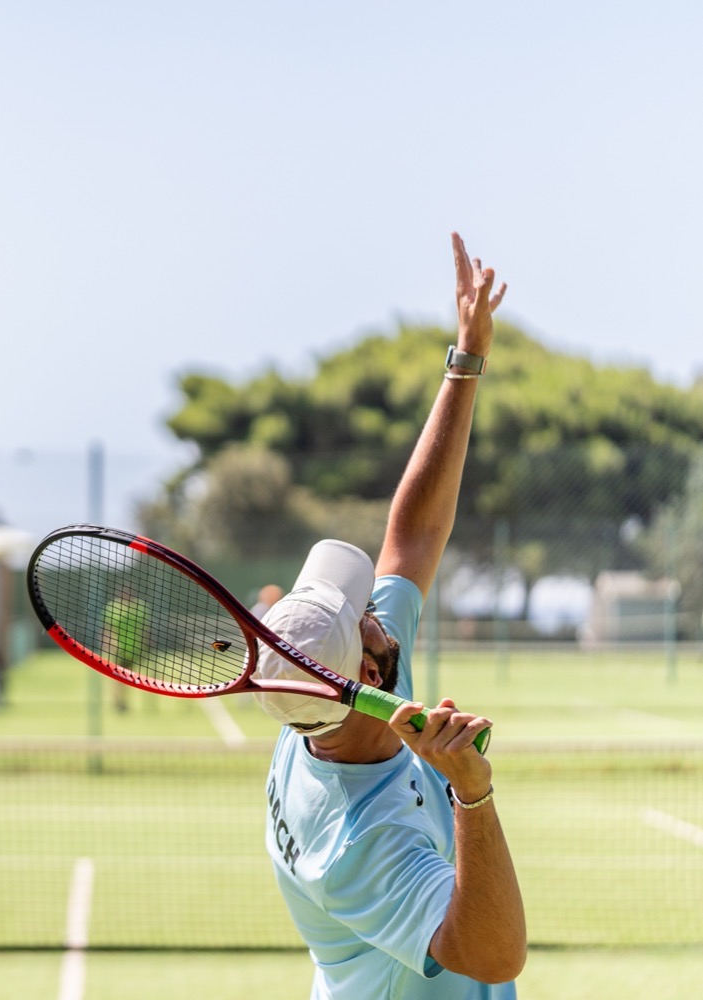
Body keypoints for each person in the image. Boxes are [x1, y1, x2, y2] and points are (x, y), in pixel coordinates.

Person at [253, 233, 526, 998]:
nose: (374, 607)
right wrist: (469, 790)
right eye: (360, 617)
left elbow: (412, 535)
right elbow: (492, 956)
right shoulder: (356, 844)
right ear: (366, 671)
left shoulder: (317, 702)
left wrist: (464, 359)